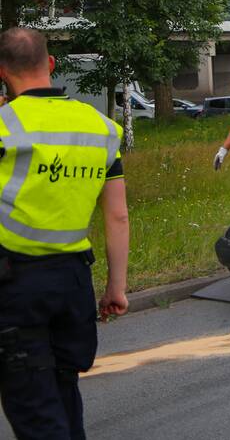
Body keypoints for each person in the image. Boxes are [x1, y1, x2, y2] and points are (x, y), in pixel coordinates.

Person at [0, 27, 129, 439]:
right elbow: (117, 216)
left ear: (2, 71)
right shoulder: (101, 128)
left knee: (37, 412)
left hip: (16, 286)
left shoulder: (4, 126)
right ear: (51, 64)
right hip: (73, 283)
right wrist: (116, 288)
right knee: (65, 395)